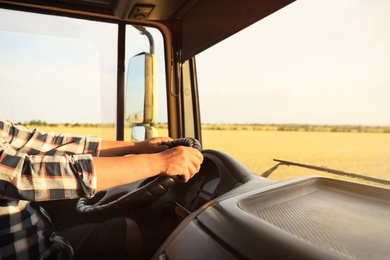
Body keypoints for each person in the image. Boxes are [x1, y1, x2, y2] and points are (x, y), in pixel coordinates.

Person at [0, 119, 203, 259]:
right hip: (29, 254)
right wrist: (159, 162)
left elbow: (45, 144)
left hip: (44, 239)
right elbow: (22, 175)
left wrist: (133, 147)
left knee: (128, 231)